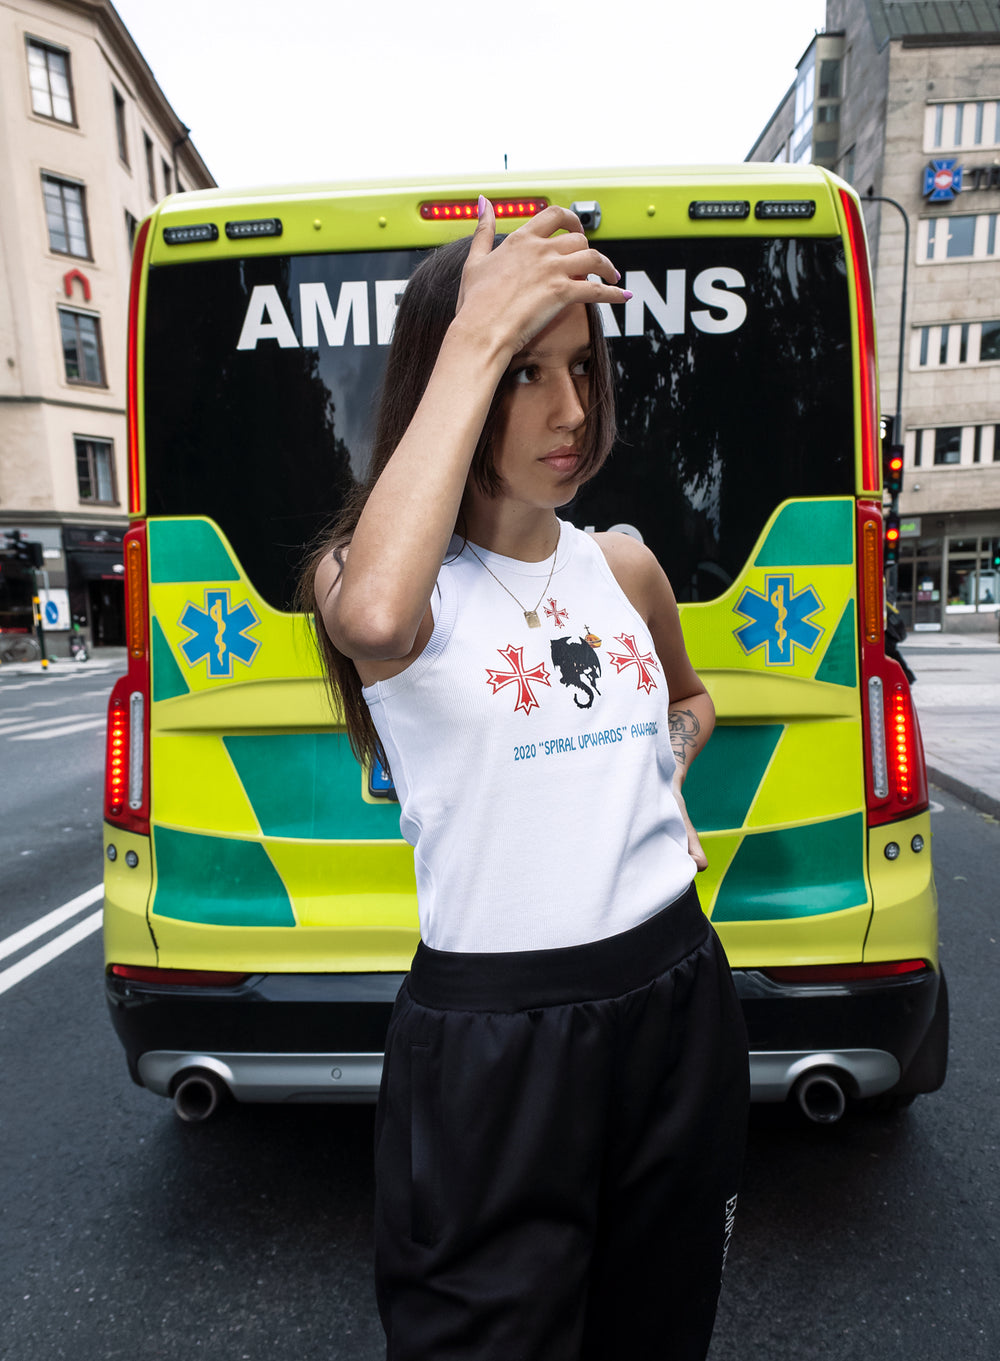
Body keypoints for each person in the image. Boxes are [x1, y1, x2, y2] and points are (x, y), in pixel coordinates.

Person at [302, 199, 749, 1361]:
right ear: (451, 378)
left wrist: (656, 788)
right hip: (496, 1037)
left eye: (583, 368)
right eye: (525, 371)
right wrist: (471, 335)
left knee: (657, 1329)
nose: (569, 409)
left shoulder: (624, 564)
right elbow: (377, 614)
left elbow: (691, 701)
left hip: (671, 987)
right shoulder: (379, 582)